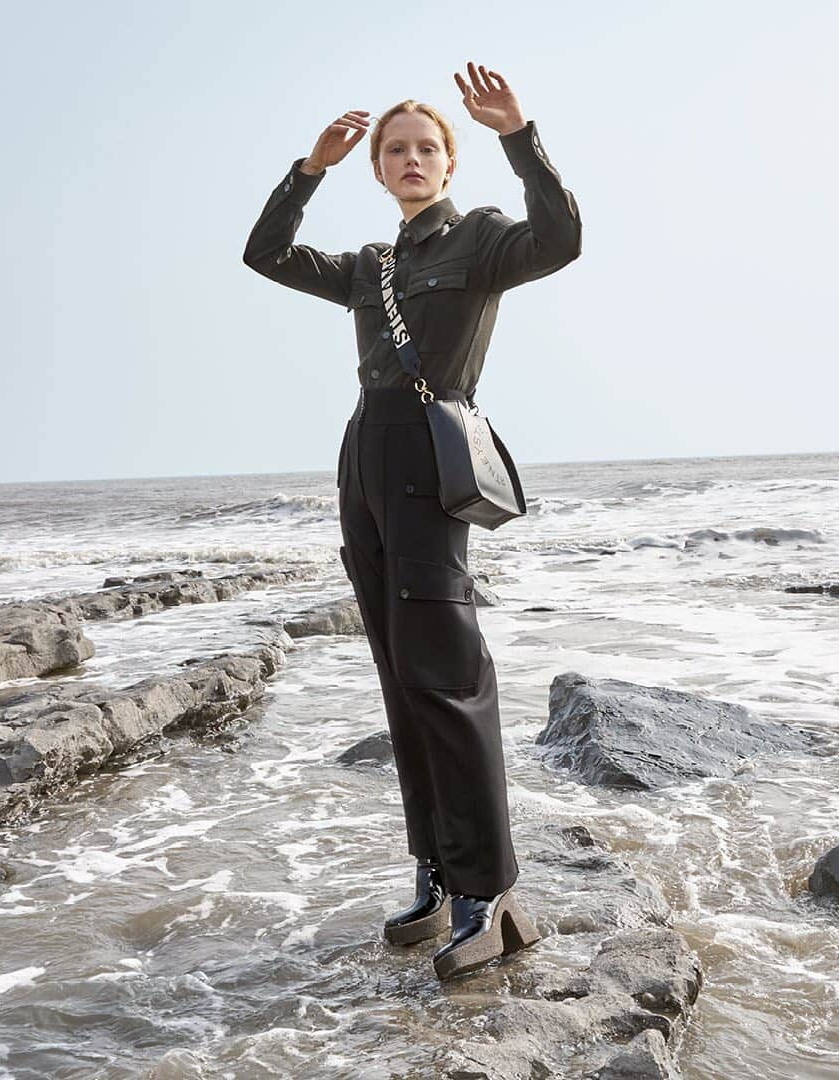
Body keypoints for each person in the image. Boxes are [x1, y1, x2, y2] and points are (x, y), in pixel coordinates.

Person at [242, 61, 581, 981]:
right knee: (400, 679)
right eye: (395, 151)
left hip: (430, 467)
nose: (410, 159)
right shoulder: (371, 267)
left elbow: (562, 238)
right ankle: (436, 872)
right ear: (379, 168)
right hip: (364, 459)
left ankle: (490, 893)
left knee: (447, 675)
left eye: (426, 147)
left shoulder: (481, 240)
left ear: (449, 161)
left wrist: (522, 136)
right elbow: (265, 255)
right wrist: (307, 170)